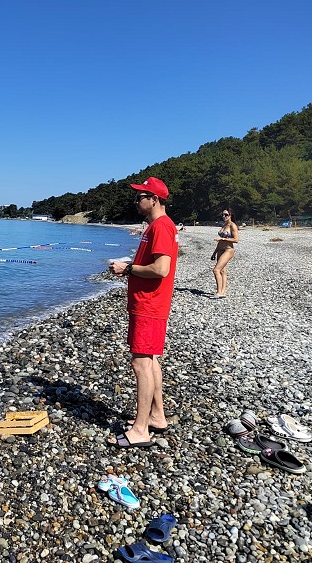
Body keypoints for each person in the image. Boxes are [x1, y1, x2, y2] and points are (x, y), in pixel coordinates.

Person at [107, 177, 178, 448]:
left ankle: (140, 430)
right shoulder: (156, 227)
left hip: (149, 305)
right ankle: (157, 417)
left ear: (155, 199)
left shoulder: (161, 227)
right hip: (148, 303)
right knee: (150, 359)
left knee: (140, 363)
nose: (136, 201)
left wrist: (127, 269)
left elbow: (161, 269)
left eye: (140, 197)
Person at [211, 208, 238, 298]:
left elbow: (236, 239)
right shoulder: (224, 225)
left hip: (228, 250)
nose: (224, 216)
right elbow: (220, 242)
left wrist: (223, 238)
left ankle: (219, 292)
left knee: (216, 270)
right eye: (223, 215)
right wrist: (214, 253)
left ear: (230, 215)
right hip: (220, 250)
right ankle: (223, 292)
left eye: (226, 215)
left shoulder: (232, 226)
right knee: (222, 271)